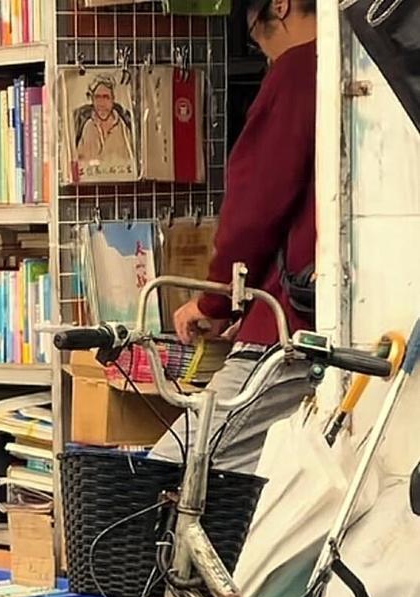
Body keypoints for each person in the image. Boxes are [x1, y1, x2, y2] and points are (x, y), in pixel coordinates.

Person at [150, 0, 317, 474]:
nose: (264, 54)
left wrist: (215, 301)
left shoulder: (298, 70)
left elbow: (255, 206)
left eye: (257, 38)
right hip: (339, 324)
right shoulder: (367, 65)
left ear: (280, 6)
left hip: (287, 330)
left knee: (173, 471)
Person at [75, 75, 136, 178]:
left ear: (113, 99)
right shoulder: (87, 127)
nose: (102, 104)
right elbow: (78, 165)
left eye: (106, 97)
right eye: (97, 97)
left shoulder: (124, 129)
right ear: (92, 100)